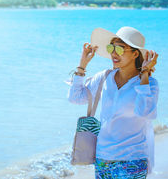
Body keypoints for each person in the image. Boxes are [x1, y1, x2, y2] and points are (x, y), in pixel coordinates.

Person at [67, 27, 159, 179]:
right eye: (111, 48)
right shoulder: (104, 77)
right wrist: (82, 65)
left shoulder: (150, 84)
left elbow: (145, 112)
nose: (114, 54)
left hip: (132, 161)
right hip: (103, 159)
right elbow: (75, 98)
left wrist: (144, 75)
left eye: (120, 49)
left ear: (135, 53)